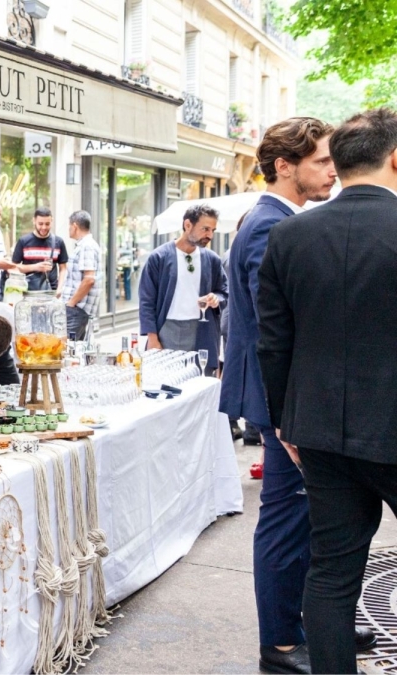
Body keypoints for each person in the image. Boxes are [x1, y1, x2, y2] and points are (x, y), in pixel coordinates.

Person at [220, 116, 374, 674]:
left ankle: (310, 625)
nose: (333, 171)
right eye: (321, 163)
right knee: (286, 523)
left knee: (306, 522)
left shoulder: (275, 219)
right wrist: (286, 417)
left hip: (287, 401)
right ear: (285, 167)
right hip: (282, 403)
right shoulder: (268, 224)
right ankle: (282, 644)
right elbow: (276, 329)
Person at [257, 108, 397, 674]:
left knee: (333, 574)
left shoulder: (290, 235)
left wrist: (284, 421)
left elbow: (274, 342)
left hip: (318, 429)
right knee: (332, 573)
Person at [136, 203, 227, 374]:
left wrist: (216, 299)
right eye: (205, 229)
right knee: (165, 382)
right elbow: (146, 301)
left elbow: (224, 292)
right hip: (167, 330)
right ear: (187, 225)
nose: (209, 235)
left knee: (200, 384)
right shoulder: (159, 257)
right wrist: (152, 339)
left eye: (213, 230)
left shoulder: (212, 259)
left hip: (202, 331)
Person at [59, 210, 101, 340]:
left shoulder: (87, 246)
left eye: (69, 225)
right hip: (76, 309)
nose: (69, 229)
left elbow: (89, 279)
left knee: (67, 351)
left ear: (75, 226)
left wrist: (71, 302)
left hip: (77, 309)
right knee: (74, 351)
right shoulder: (85, 245)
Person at [11, 207, 69, 292]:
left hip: (51, 292)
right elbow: (13, 267)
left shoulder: (58, 242)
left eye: (47, 224)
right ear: (34, 221)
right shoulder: (23, 241)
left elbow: (63, 268)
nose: (44, 227)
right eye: (40, 224)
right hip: (28, 291)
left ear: (52, 221)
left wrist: (60, 288)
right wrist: (35, 267)